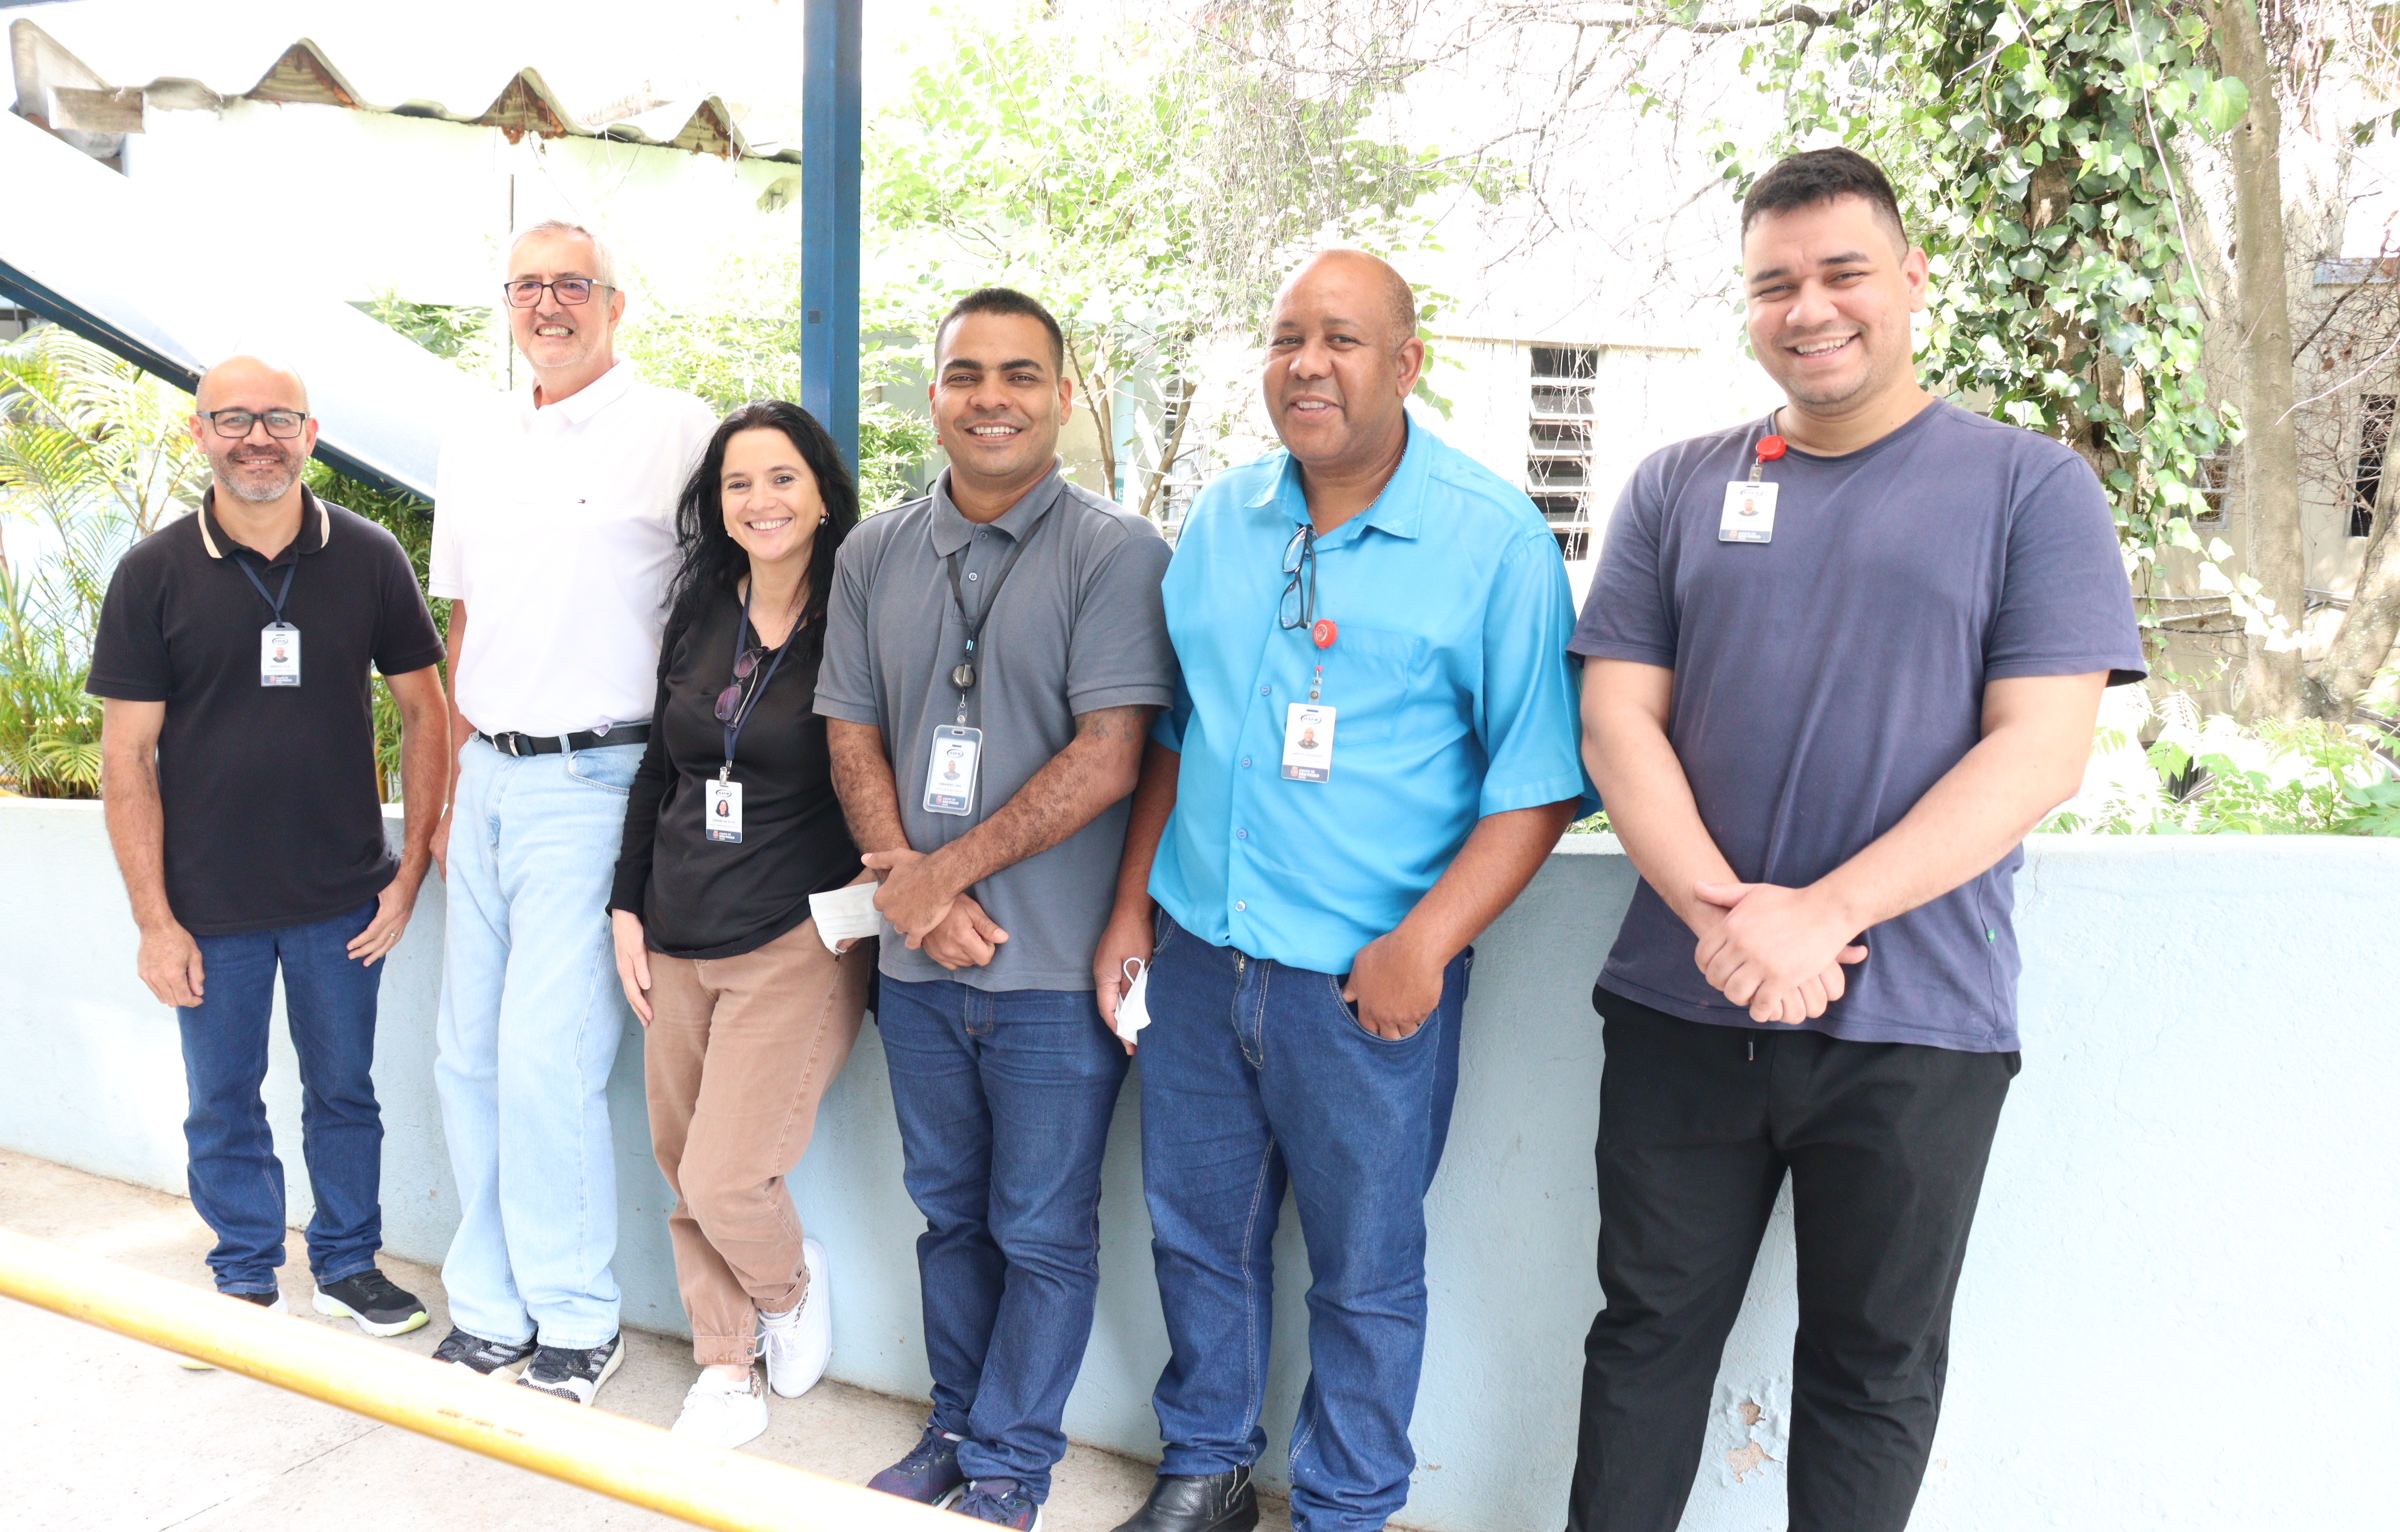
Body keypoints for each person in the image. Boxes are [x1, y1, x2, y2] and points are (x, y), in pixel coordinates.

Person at [1565, 148, 2144, 1532]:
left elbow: (2041, 751)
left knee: (1872, 1371)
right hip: (1684, 1004)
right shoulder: (1673, 487)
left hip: (1919, 1025)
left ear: (1910, 282)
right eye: (1775, 284)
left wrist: (1817, 917)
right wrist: (1727, 923)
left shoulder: (2030, 488)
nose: (1809, 308)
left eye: (1842, 273)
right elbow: (1616, 727)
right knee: (1644, 1339)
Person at [1096, 250, 1591, 1532]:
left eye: (1343, 339)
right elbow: (1180, 736)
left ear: (1408, 363)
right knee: (1197, 1236)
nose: (1307, 363)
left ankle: (1346, 1507)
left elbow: (1536, 782)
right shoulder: (1225, 517)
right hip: (1203, 957)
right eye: (1285, 337)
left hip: (1367, 984)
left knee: (1366, 1272)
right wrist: (1132, 907)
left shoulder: (1492, 541)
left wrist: (1424, 946)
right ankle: (1206, 1470)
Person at [818, 287, 1174, 1530]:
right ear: (935, 396)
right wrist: (903, 883)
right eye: (967, 374)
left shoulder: (1117, 553)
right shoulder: (873, 552)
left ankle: (1015, 1460)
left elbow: (1111, 753)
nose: (993, 397)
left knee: (1040, 1227)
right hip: (919, 969)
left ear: (1062, 397)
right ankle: (955, 1423)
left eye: (1022, 375)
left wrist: (937, 876)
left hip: (1053, 972)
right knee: (947, 1214)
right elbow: (852, 729)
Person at [90, 355, 447, 1354]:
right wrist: (156, 920)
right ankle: (244, 1275)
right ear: (199, 433)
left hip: (344, 895)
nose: (257, 437)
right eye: (234, 418)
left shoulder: (370, 555)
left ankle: (346, 1264)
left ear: (311, 432)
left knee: (345, 1091)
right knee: (223, 1099)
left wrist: (409, 868)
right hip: (210, 905)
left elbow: (427, 710)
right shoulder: (152, 573)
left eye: (278, 419)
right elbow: (128, 758)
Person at [426, 219, 717, 1402]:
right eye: (528, 285)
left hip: (599, 782)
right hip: (486, 776)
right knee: (466, 1059)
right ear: (507, 303)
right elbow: (463, 622)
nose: (548, 304)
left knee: (548, 1060)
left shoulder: (681, 431)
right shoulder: (477, 431)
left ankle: (578, 1317)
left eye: (572, 285)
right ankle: (490, 1307)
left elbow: (722, 614)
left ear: (615, 303)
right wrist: (442, 793)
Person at [607, 401, 873, 1449]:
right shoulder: (702, 607)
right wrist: (626, 905)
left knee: (726, 1171)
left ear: (820, 492)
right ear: (716, 507)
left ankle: (790, 1287)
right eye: (737, 484)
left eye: (780, 479)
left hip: (793, 933)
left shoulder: (858, 607)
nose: (759, 501)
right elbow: (661, 769)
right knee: (683, 1165)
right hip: (676, 925)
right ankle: (725, 1365)